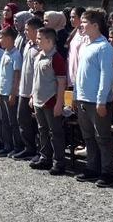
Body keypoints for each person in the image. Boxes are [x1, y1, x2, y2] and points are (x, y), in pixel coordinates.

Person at [73, 8, 113, 186]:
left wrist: (101, 100)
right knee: (88, 136)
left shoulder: (104, 47)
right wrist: (76, 95)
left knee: (102, 137)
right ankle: (92, 167)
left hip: (97, 101)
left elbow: (107, 76)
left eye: (84, 22)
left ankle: (107, 172)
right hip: (83, 99)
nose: (81, 25)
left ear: (95, 25)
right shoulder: (86, 45)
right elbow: (80, 73)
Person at [30, 27, 67, 175]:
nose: (37, 40)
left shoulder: (56, 58)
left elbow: (61, 82)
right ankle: (45, 157)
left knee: (55, 132)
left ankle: (59, 162)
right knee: (42, 130)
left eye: (40, 38)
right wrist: (32, 96)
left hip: (50, 100)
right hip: (38, 99)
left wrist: (59, 103)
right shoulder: (39, 55)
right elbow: (35, 78)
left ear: (49, 41)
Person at [13, 17, 42, 160]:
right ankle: (29, 148)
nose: (25, 32)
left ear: (36, 31)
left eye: (27, 30)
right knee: (22, 119)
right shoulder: (27, 44)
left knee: (37, 124)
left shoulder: (40, 48)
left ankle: (40, 152)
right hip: (23, 90)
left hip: (35, 92)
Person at [0, 27, 22, 157]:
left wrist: (13, 93)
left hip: (10, 93)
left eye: (1, 38)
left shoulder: (16, 55)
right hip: (2, 91)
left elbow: (16, 75)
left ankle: (17, 146)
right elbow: (2, 74)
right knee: (4, 121)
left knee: (13, 122)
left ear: (9, 38)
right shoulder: (5, 53)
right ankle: (7, 145)